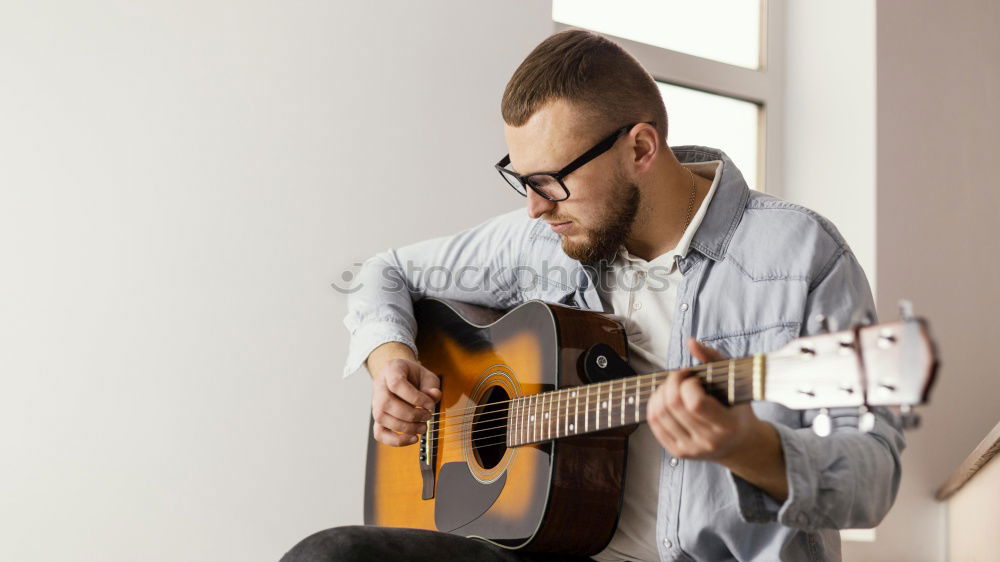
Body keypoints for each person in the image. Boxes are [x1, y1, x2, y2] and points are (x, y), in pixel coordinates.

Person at [281, 29, 903, 562]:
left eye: (552, 181)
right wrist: (389, 358)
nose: (533, 208)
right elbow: (379, 273)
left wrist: (751, 448)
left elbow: (873, 476)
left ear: (639, 148)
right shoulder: (541, 239)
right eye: (522, 180)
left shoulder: (800, 255)